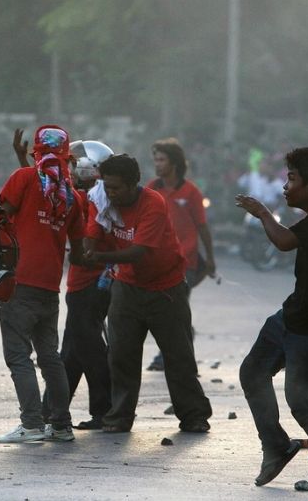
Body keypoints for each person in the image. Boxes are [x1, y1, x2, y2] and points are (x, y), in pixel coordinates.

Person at [236, 147, 308, 491]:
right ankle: (275, 445)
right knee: (253, 372)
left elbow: (285, 241)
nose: (286, 187)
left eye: (292, 179)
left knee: (300, 398)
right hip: (292, 316)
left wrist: (261, 212)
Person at [83, 154, 212, 433]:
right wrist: (91, 234)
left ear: (133, 185)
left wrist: (99, 256)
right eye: (107, 187)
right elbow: (90, 237)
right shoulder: (103, 199)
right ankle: (119, 417)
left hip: (166, 289)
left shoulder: (152, 202)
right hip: (127, 288)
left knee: (178, 357)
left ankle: (193, 415)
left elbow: (140, 252)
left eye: (116, 188)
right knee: (121, 356)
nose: (111, 193)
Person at [13, 133, 115, 431]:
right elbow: (43, 189)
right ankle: (54, 411)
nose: (65, 169)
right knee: (71, 352)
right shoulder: (90, 197)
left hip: (90, 284)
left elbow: (46, 194)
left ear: (87, 168)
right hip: (83, 283)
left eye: (70, 164)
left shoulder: (85, 199)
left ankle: (103, 410)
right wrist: (25, 161)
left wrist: (26, 164)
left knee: (88, 348)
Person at [0, 125, 84, 444]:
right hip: (50, 286)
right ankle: (60, 425)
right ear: (67, 156)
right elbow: (79, 249)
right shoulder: (73, 197)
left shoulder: (22, 179)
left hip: (19, 282)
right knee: (50, 357)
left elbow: (0, 216)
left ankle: (32, 423)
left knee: (18, 355)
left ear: (36, 152)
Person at [146, 138, 216, 371]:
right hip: (157, 261)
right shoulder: (151, 189)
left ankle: (170, 356)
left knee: (174, 307)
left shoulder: (191, 192)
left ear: (174, 163)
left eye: (162, 160)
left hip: (185, 260)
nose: (157, 164)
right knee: (166, 309)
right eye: (155, 159)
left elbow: (202, 227)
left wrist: (211, 259)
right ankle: (176, 352)